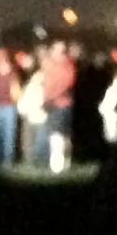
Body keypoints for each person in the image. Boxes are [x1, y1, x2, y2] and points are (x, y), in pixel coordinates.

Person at [40, 42, 77, 173]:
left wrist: (48, 98)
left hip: (57, 103)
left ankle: (57, 164)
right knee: (64, 134)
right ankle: (65, 161)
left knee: (56, 134)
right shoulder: (68, 64)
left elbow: (53, 84)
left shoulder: (56, 65)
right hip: (64, 103)